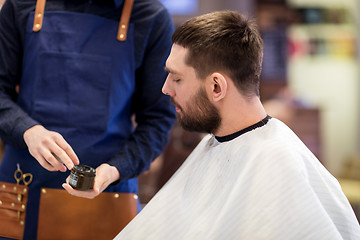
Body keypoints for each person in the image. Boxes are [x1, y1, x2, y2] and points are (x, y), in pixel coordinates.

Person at [114, 10, 360, 239]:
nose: (165, 88)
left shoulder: (278, 164)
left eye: (177, 78)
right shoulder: (216, 144)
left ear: (216, 87)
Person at [0, 0, 175, 239]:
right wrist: (28, 131)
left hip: (108, 191)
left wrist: (116, 170)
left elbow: (157, 119)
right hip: (23, 187)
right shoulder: (21, 5)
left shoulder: (150, 17)